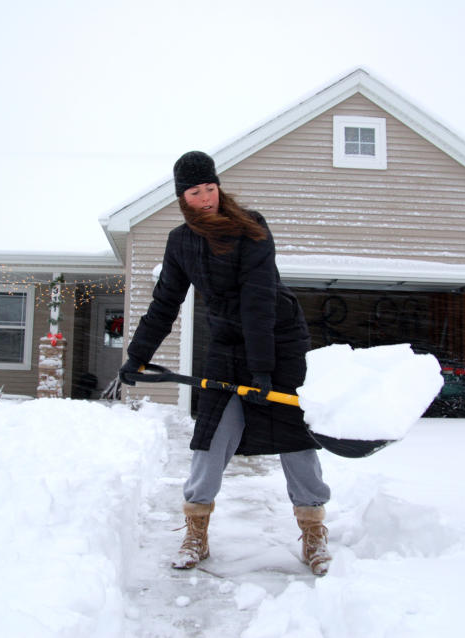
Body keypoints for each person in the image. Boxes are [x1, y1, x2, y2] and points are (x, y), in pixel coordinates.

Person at [118, 151, 332, 576]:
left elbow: (257, 297)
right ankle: (196, 530)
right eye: (195, 193)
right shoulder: (180, 242)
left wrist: (263, 368)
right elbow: (165, 304)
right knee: (212, 433)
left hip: (278, 336)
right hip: (227, 343)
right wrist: (137, 356)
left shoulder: (251, 226)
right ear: (183, 198)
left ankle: (313, 530)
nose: (205, 199)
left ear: (219, 187)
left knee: (291, 432)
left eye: (210, 189)